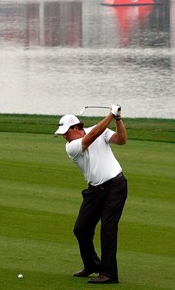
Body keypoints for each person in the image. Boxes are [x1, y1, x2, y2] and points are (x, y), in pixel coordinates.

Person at [54, 105, 128, 284]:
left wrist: (117, 119)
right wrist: (111, 114)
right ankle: (93, 264)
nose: (63, 136)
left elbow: (121, 139)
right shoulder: (71, 147)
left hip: (115, 187)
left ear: (75, 128)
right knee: (81, 229)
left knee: (108, 229)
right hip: (95, 191)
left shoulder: (98, 130)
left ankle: (109, 273)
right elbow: (93, 135)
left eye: (65, 132)